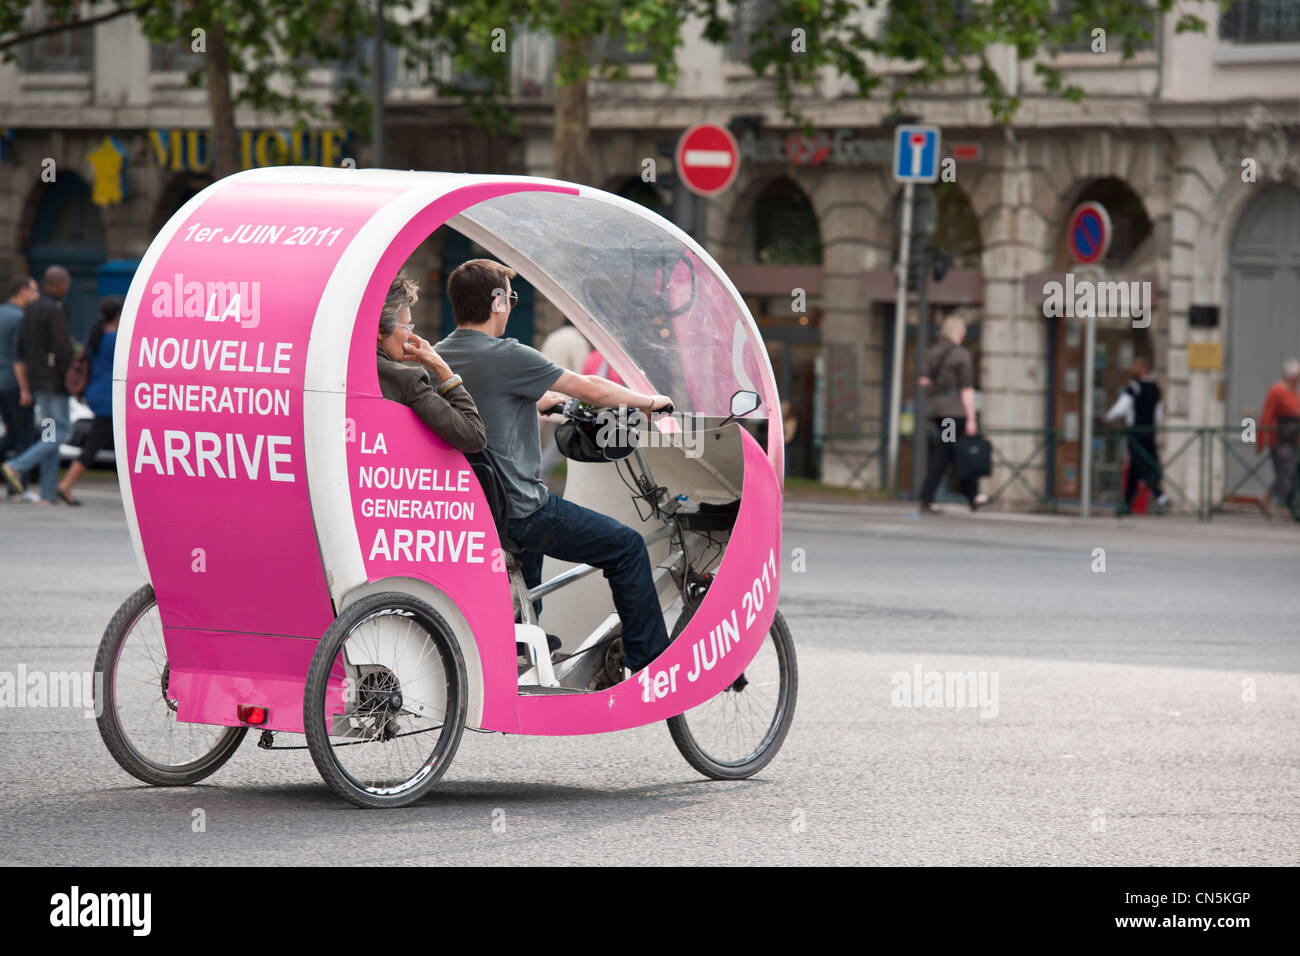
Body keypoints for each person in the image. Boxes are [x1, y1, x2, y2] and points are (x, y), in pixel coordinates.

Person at [434, 258, 674, 676]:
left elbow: (485, 403)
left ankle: (522, 640)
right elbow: (590, 387)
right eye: (509, 297)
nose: (510, 304)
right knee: (627, 547)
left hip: (480, 508)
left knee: (528, 565)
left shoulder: (439, 355)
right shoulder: (508, 355)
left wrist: (541, 403)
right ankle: (650, 664)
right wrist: (650, 401)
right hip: (523, 510)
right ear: (495, 303)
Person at [374, 272, 486, 453]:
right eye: (406, 327)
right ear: (380, 330)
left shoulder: (336, 367)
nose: (410, 335)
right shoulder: (406, 379)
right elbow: (474, 436)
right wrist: (442, 369)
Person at [2, 265, 74, 505]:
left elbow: (20, 347)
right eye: (66, 284)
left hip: (38, 381)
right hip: (54, 382)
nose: (68, 289)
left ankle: (46, 492)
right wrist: (71, 378)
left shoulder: (30, 309)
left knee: (49, 434)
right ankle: (16, 465)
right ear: (58, 284)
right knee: (61, 433)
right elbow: (63, 347)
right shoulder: (55, 310)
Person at [55, 296, 122, 505]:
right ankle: (65, 485)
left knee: (111, 444)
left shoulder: (96, 336)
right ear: (119, 315)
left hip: (96, 393)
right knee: (94, 445)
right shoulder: (117, 339)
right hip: (109, 398)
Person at [918, 312, 987, 513]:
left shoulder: (933, 352)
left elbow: (923, 380)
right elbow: (967, 389)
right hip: (953, 414)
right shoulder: (961, 355)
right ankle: (928, 497)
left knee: (951, 451)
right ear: (958, 331)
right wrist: (972, 418)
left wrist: (938, 387)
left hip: (937, 410)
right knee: (946, 453)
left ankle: (972, 496)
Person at [1104, 353, 1169, 515]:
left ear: (1143, 368)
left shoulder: (1135, 387)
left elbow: (1122, 406)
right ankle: (1127, 502)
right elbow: (1158, 414)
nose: (1132, 369)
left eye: (1135, 366)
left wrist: (1108, 417)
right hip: (1149, 431)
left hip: (1136, 433)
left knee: (1142, 466)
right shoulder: (1156, 388)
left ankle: (1160, 497)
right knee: (1140, 466)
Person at [538, 320, 592, 482]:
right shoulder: (578, 341)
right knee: (558, 450)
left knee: (553, 448)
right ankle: (538, 480)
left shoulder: (552, 338)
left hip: (546, 398)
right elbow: (582, 376)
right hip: (567, 405)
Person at [0, 275, 40, 496]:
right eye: (34, 291)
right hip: (15, 384)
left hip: (1, 383)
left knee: (12, 434)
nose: (37, 295)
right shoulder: (19, 318)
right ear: (22, 290)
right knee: (25, 436)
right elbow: (19, 357)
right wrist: (25, 389)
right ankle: (21, 486)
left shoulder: (1, 312)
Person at [1256, 357, 1300, 519]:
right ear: (1291, 376)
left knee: (1289, 474)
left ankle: (1268, 500)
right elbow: (1267, 416)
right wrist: (1260, 440)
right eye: (1297, 376)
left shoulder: (1293, 391)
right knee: (1286, 474)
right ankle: (1282, 506)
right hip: (1280, 440)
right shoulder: (1277, 391)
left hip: (1293, 440)